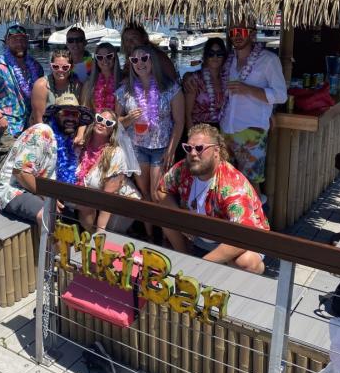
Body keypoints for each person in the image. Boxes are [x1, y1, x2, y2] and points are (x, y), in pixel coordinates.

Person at [156, 124, 269, 274]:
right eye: (188, 148)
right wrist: (181, 220)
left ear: (216, 150)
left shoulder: (232, 185)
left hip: (240, 240)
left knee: (246, 262)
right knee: (165, 213)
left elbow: (243, 237)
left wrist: (200, 266)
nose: (193, 153)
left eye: (200, 148)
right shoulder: (184, 168)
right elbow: (161, 191)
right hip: (203, 234)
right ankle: (184, 257)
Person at [0, 93, 93, 224]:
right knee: (49, 216)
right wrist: (48, 197)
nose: (70, 118)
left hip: (45, 192)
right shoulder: (42, 131)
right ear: (56, 115)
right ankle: (50, 245)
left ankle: (92, 239)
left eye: (74, 114)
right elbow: (21, 173)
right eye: (66, 113)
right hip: (14, 190)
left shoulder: (66, 141)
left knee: (87, 206)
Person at [219, 21, 287, 194]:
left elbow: (280, 95)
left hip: (252, 131)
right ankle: (230, 221)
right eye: (233, 31)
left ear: (252, 34)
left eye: (241, 31)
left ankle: (254, 220)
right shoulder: (229, 60)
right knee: (226, 181)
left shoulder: (269, 60)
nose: (237, 35)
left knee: (250, 184)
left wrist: (247, 89)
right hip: (226, 129)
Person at [116, 43, 184, 207]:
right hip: (137, 147)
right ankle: (149, 232)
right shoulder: (125, 90)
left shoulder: (170, 88)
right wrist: (127, 120)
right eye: (135, 60)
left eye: (144, 58)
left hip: (161, 147)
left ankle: (172, 228)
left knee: (157, 193)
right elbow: (115, 121)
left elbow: (180, 121)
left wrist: (171, 150)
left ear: (152, 60)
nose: (140, 63)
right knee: (144, 192)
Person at [0, 24, 44, 171]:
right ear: (6, 41)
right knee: (8, 168)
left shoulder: (36, 66)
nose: (19, 44)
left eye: (22, 40)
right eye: (14, 40)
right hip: (7, 128)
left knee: (29, 167)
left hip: (30, 126)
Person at [76, 109, 141, 233]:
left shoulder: (116, 154)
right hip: (94, 201)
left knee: (105, 235)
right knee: (85, 208)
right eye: (100, 119)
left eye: (108, 123)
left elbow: (109, 197)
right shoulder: (82, 147)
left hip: (121, 203)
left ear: (112, 130)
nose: (102, 123)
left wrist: (100, 232)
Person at [184, 38, 229, 130]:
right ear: (205, 56)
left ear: (224, 56)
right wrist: (192, 136)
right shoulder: (195, 79)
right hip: (200, 130)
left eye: (219, 54)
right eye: (211, 54)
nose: (215, 57)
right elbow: (187, 114)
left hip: (223, 131)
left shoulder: (227, 78)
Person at [31, 49, 82, 124]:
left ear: (71, 67)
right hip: (45, 128)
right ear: (50, 66)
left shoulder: (77, 85)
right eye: (55, 67)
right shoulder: (41, 85)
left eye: (65, 67)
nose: (60, 70)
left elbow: (82, 113)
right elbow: (39, 121)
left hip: (69, 126)